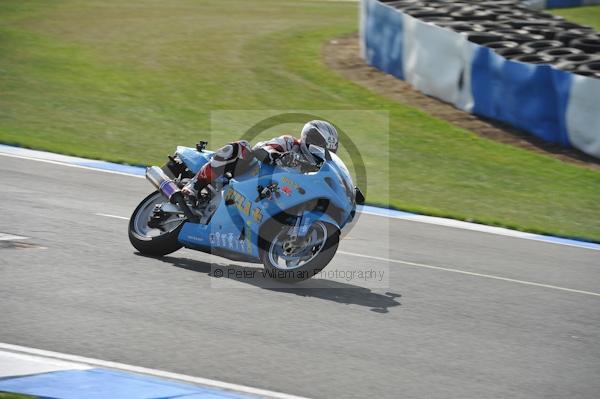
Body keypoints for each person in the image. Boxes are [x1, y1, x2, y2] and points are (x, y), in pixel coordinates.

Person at [182, 120, 339, 202]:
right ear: (309, 138)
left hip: (274, 195)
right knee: (241, 147)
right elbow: (260, 149)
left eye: (328, 150)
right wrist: (277, 156)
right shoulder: (290, 143)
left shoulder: (319, 168)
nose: (324, 152)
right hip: (252, 175)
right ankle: (194, 185)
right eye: (321, 146)